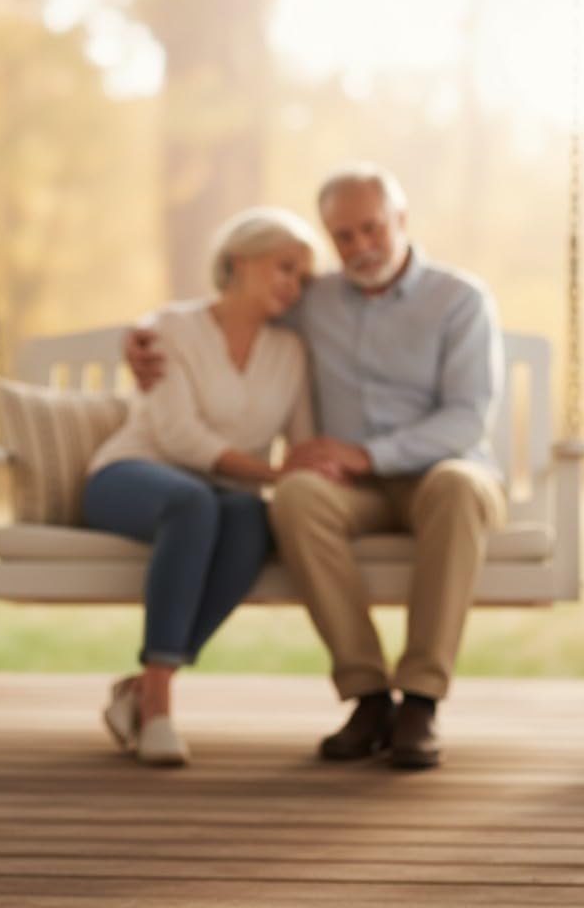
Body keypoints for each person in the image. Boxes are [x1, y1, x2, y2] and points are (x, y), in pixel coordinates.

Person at [127, 164, 506, 769]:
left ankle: (421, 703)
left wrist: (367, 453)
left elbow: (466, 420)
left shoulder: (460, 300)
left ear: (401, 221)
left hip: (445, 474)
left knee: (458, 486)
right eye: (344, 236)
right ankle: (370, 697)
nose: (360, 247)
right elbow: (229, 305)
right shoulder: (314, 300)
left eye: (372, 229)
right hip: (352, 489)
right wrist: (144, 331)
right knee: (298, 495)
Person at [83, 207, 319, 766]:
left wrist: (310, 468)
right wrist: (274, 473)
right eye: (284, 268)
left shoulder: (291, 352)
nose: (294, 286)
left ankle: (141, 690)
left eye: (303, 278)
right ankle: (160, 707)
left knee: (251, 521)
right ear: (239, 261)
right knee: (195, 503)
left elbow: (303, 438)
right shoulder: (168, 328)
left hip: (219, 497)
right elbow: (177, 436)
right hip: (131, 475)